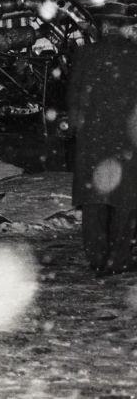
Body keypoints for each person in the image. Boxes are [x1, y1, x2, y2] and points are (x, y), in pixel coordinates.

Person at [68, 26, 137, 273]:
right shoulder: (134, 54)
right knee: (125, 201)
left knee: (94, 200)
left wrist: (81, 129)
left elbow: (74, 101)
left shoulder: (86, 53)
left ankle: (97, 258)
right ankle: (120, 258)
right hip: (128, 141)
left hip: (93, 141)